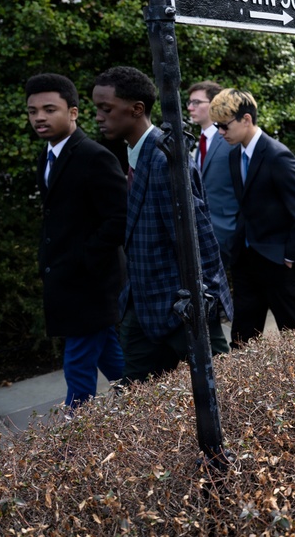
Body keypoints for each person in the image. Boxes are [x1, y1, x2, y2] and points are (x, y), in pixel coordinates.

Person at [91, 66, 230, 382]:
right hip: (142, 305)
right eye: (97, 108)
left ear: (136, 109)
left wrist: (206, 300)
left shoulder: (165, 155)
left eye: (106, 108)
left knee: (223, 388)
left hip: (180, 307)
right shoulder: (136, 154)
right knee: (136, 400)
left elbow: (198, 234)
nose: (99, 116)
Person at [26, 73, 126, 409]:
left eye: (49, 109)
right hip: (66, 279)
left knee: (78, 364)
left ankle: (73, 435)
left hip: (91, 282)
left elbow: (120, 217)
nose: (40, 117)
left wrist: (85, 257)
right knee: (111, 357)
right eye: (33, 111)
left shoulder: (94, 156)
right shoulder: (47, 156)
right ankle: (149, 401)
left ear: (73, 112)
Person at [209, 88, 295, 347]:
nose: (220, 133)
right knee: (243, 340)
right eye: (216, 126)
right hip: (245, 261)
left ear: (246, 119)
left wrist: (290, 256)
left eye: (224, 126)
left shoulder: (277, 155)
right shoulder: (235, 154)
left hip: (279, 262)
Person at [187, 80, 237, 267]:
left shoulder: (230, 140)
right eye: (189, 103)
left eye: (197, 102)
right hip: (204, 235)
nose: (190, 108)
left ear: (214, 104)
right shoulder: (195, 144)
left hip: (230, 233)